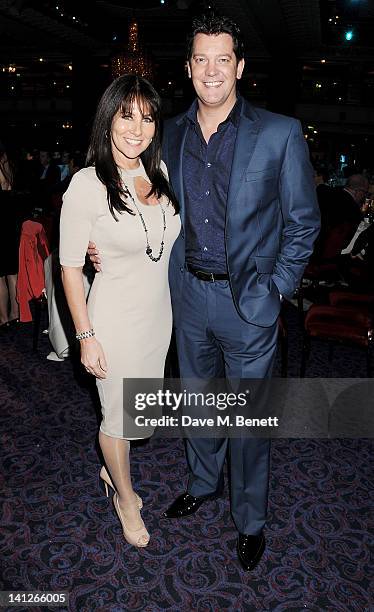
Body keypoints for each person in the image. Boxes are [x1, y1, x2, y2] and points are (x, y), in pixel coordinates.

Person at [89, 13, 320, 571]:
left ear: (239, 66)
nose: (211, 70)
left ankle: (251, 519)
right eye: (201, 59)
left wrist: (277, 289)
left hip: (250, 305)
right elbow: (131, 197)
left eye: (223, 59)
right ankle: (202, 482)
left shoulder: (279, 133)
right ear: (188, 68)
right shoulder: (168, 134)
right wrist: (99, 243)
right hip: (186, 298)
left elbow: (303, 222)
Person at [60, 75, 180, 548]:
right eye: (126, 115)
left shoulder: (162, 172)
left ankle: (114, 473)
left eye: (147, 117)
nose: (137, 128)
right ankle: (124, 497)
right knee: (117, 418)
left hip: (157, 319)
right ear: (107, 119)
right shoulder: (85, 186)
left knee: (137, 415)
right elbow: (70, 269)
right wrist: (86, 337)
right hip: (111, 321)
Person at [0, 143, 22, 329]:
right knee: (12, 274)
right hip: (12, 227)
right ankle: (16, 313)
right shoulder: (10, 171)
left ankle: (3, 317)